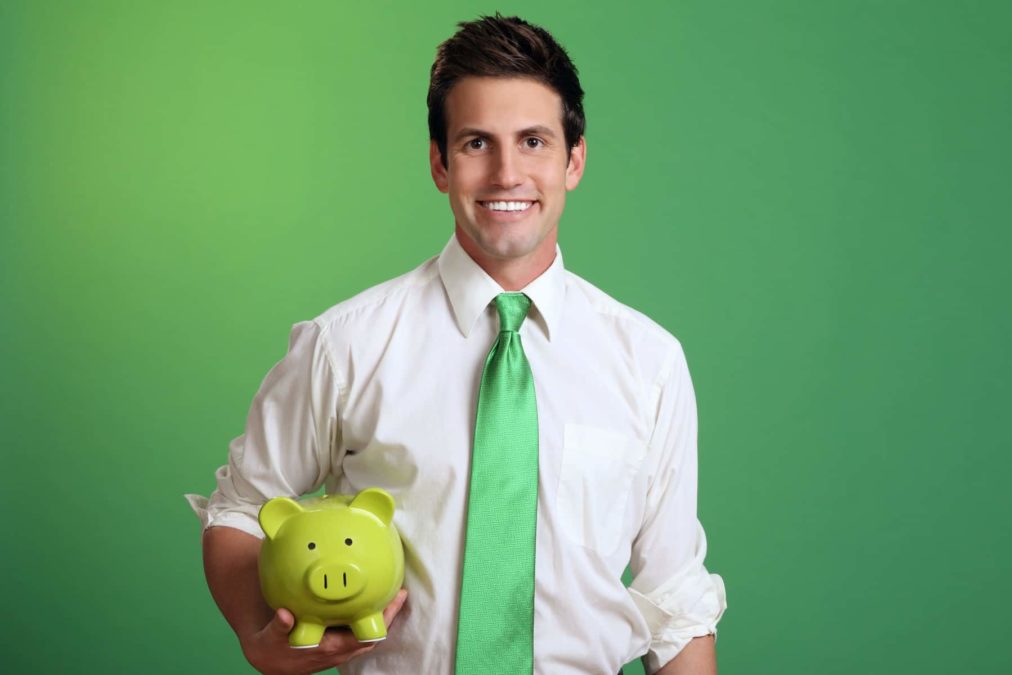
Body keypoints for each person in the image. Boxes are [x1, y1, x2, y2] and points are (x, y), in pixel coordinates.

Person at [187, 13, 725, 675]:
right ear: (441, 163)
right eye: (476, 143)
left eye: (533, 140)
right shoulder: (347, 344)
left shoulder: (650, 362)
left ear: (574, 159)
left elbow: (673, 599)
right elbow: (242, 508)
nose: (506, 172)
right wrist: (256, 631)